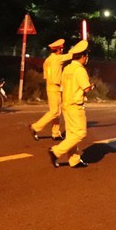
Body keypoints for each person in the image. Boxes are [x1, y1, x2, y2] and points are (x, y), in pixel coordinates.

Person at [48, 40, 93, 168]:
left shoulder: (67, 68)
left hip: (66, 104)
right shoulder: (80, 70)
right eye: (86, 56)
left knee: (72, 134)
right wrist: (92, 86)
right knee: (80, 133)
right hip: (75, 106)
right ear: (83, 57)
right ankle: (56, 151)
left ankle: (74, 160)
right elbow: (86, 88)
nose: (87, 59)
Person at [29, 39, 72, 141]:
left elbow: (45, 75)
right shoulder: (57, 59)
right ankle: (35, 127)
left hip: (50, 85)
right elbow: (71, 55)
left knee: (57, 111)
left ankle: (55, 133)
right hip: (55, 87)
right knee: (54, 112)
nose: (62, 50)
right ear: (58, 50)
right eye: (61, 48)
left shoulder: (47, 60)